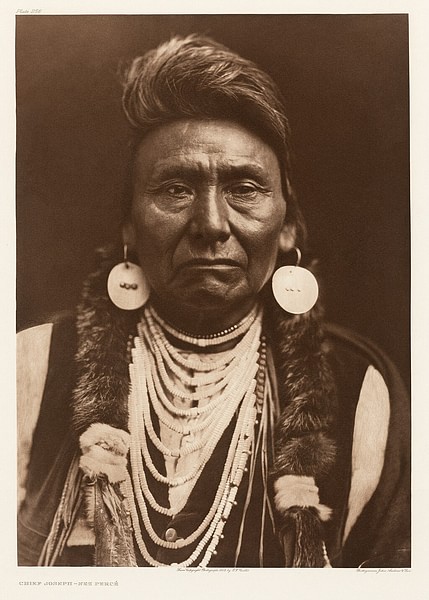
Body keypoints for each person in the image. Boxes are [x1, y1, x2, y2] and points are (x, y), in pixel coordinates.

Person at [17, 34, 410, 568]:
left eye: (244, 187)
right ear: (128, 225)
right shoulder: (32, 367)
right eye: (176, 188)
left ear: (289, 226)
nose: (210, 224)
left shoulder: (360, 387)